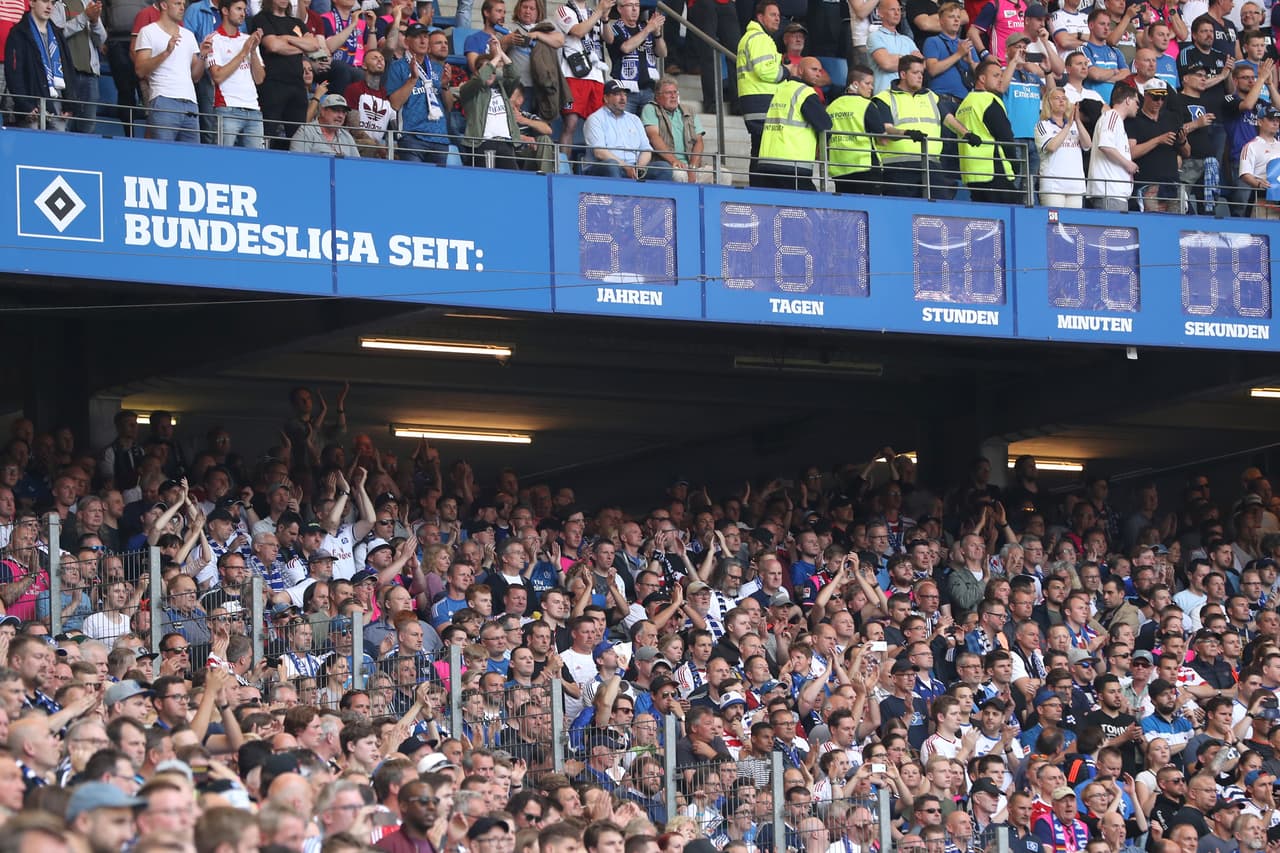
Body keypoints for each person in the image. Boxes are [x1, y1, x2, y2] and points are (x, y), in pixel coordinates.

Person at [753, 55, 832, 189]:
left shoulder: (781, 89)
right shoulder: (805, 93)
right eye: (814, 70)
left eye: (820, 71)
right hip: (792, 164)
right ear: (800, 70)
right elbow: (826, 126)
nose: (818, 74)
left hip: (767, 162)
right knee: (811, 207)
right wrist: (820, 149)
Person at [133, 0, 205, 142]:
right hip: (164, 100)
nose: (182, 8)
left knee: (191, 159)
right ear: (164, 5)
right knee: (163, 156)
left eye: (183, 4)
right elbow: (140, 70)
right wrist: (166, 52)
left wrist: (203, 55)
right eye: (177, 3)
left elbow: (196, 76)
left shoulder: (189, 35)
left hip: (191, 103)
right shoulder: (148, 31)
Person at [874, 54, 945, 197]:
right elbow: (886, 129)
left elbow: (949, 118)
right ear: (903, 74)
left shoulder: (931, 95)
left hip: (931, 164)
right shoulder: (884, 97)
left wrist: (966, 133)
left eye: (922, 73)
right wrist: (906, 133)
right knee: (901, 214)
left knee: (935, 215)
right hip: (898, 166)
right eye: (915, 72)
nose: (920, 76)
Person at [5, 0, 79, 130]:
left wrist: (70, 104)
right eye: (45, 1)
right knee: (30, 148)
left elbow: (67, 69)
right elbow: (14, 75)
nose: (49, 6)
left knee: (57, 148)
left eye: (52, 2)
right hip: (32, 104)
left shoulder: (57, 34)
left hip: (57, 105)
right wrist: (25, 105)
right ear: (32, 3)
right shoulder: (18, 33)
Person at [955, 57, 1020, 202]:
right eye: (996, 75)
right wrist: (1015, 164)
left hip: (971, 173)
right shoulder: (989, 100)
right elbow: (1005, 136)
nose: (1000, 80)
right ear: (982, 78)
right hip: (994, 170)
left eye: (1001, 76)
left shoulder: (964, 103)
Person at [385, 21, 451, 163]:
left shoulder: (437, 68)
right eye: (417, 37)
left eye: (425, 37)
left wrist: (445, 86)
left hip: (439, 137)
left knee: (437, 184)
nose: (422, 40)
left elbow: (449, 106)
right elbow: (395, 104)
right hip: (412, 136)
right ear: (407, 41)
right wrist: (413, 80)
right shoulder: (398, 67)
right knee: (413, 183)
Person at [554, 0, 612, 154]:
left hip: (597, 75)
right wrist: (599, 12)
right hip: (574, 75)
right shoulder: (564, 10)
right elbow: (578, 31)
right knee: (570, 124)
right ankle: (563, 167)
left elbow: (609, 39)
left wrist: (605, 19)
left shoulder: (594, 12)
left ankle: (594, 170)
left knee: (597, 127)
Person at [736, 0, 789, 168]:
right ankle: (760, 188)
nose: (777, 19)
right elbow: (765, 71)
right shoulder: (760, 38)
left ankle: (757, 189)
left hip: (754, 99)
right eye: (772, 15)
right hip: (762, 101)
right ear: (760, 17)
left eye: (779, 16)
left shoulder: (751, 37)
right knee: (765, 151)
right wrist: (787, 71)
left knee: (759, 149)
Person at [206, 0, 266, 148]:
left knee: (255, 163)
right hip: (227, 109)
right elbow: (217, 76)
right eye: (238, 9)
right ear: (225, 11)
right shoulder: (213, 39)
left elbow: (260, 79)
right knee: (222, 161)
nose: (243, 13)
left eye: (244, 10)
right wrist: (244, 52)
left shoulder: (248, 40)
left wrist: (252, 51)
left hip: (254, 109)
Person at [458, 36, 524, 168]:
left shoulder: (502, 89)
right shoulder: (468, 89)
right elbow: (480, 79)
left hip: (506, 143)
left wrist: (501, 53)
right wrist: (494, 59)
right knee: (485, 184)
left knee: (511, 183)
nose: (490, 74)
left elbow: (515, 75)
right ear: (477, 71)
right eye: (487, 70)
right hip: (481, 144)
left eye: (493, 72)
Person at [1125, 77, 1187, 211]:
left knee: (1177, 224)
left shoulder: (1171, 118)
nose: (1159, 102)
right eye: (1155, 97)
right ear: (1145, 96)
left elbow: (1187, 152)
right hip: (1147, 184)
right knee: (1152, 224)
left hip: (1172, 183)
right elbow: (1131, 153)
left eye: (1163, 98)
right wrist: (1158, 140)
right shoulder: (1134, 120)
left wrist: (1183, 142)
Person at [827, 64, 888, 194]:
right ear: (855, 84)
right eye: (868, 83)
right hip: (865, 167)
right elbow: (883, 140)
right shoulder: (867, 105)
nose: (871, 87)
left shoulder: (831, 107)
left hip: (840, 170)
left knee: (847, 212)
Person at [641, 75, 712, 182]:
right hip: (668, 164)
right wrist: (674, 161)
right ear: (657, 97)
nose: (673, 96)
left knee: (724, 175)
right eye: (668, 93)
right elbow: (653, 137)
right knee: (680, 175)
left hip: (690, 165)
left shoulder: (689, 110)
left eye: (675, 92)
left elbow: (699, 141)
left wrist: (692, 168)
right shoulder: (650, 109)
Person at [50, 0, 107, 133]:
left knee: (88, 126)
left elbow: (101, 39)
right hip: (66, 76)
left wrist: (94, 21)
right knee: (64, 125)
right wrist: (84, 17)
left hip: (90, 75)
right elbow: (56, 35)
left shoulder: (88, 3)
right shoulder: (57, 4)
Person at [583, 78, 653, 177]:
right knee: (611, 165)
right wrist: (626, 167)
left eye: (624, 94)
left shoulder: (634, 119)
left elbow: (646, 149)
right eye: (617, 94)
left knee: (663, 168)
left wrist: (639, 168)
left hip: (634, 167)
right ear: (606, 98)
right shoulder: (595, 119)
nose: (623, 98)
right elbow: (600, 152)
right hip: (604, 167)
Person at [1087, 82, 1140, 209]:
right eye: (1137, 102)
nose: (1138, 107)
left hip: (1115, 193)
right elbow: (1105, 145)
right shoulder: (1112, 116)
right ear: (1128, 100)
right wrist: (1128, 164)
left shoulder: (1117, 120)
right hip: (1109, 192)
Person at [604, 0, 663, 114]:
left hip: (648, 89)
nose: (635, 9)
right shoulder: (614, 29)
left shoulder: (645, 28)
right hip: (625, 92)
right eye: (630, 5)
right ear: (620, 9)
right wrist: (648, 29)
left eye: (637, 5)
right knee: (626, 127)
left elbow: (662, 53)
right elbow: (626, 47)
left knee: (649, 128)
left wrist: (657, 34)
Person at [1238, 104, 1280, 216]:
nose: (1276, 123)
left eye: (1277, 120)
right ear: (1260, 122)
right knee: (1262, 231)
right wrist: (1258, 184)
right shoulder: (1251, 146)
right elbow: (1245, 173)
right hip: (1262, 196)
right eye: (1271, 120)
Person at [290, 91, 363, 154]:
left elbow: (357, 166)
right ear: (323, 111)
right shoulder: (306, 131)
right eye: (336, 110)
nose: (341, 116)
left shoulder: (347, 137)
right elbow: (298, 162)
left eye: (344, 112)